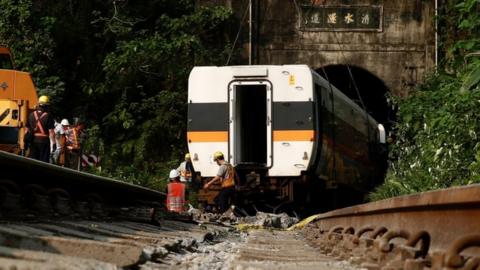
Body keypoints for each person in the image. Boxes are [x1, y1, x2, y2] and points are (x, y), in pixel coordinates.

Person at [25, 95, 55, 163]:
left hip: (33, 142)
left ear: (38, 104)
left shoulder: (31, 115)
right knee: (43, 162)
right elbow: (51, 132)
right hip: (44, 142)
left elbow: (26, 129)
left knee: (33, 161)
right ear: (47, 105)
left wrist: (26, 141)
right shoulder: (48, 116)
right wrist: (54, 143)